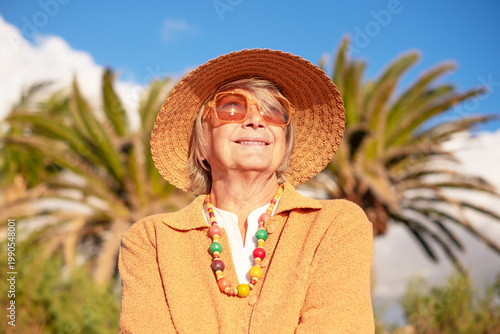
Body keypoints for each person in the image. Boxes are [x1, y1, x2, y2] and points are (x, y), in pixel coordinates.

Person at [118, 49, 374, 333]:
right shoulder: (151, 240)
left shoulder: (335, 224)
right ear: (201, 144)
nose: (256, 120)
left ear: (284, 144)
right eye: (231, 107)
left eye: (274, 111)